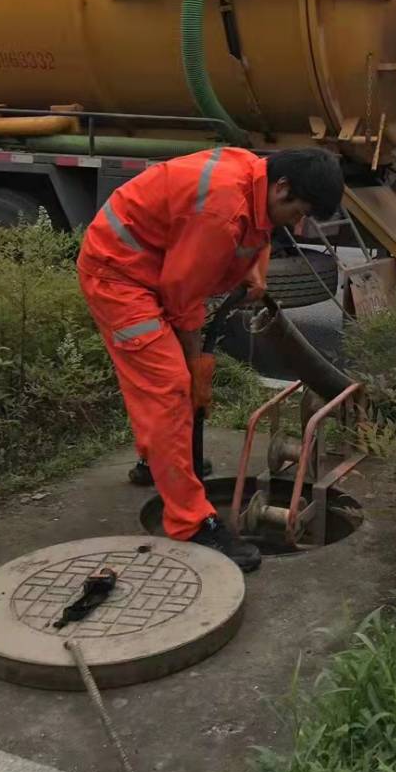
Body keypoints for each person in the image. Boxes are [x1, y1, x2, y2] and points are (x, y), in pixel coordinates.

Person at [78, 146, 344, 572]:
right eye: (298, 210)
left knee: (162, 384)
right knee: (167, 386)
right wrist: (194, 364)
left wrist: (257, 267)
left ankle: (157, 460)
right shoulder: (220, 210)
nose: (297, 223)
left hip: (156, 266)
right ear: (282, 186)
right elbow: (184, 299)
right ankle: (190, 523)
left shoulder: (253, 176)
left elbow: (255, 232)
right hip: (119, 276)